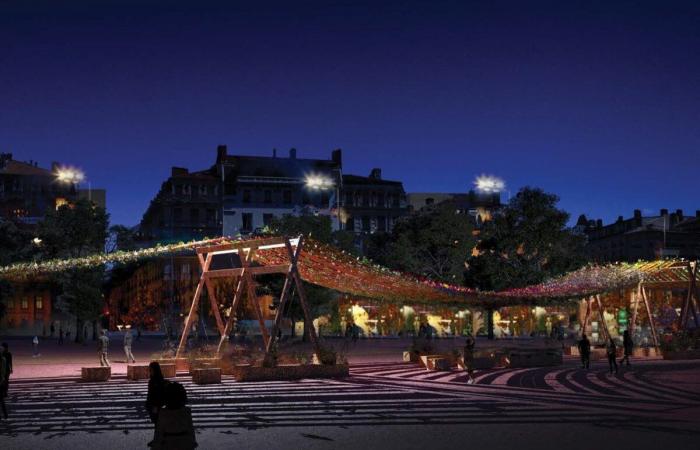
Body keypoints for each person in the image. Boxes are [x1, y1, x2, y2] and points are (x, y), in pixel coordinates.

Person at [151, 381, 197, 449]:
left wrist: (155, 445)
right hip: (185, 444)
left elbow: (159, 433)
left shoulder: (163, 413)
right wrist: (192, 443)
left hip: (168, 444)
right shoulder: (186, 412)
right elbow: (190, 430)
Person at [1, 342, 12, 420]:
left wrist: (11, 368)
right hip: (2, 376)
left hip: (5, 373)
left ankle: (5, 391)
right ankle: (5, 415)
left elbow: (10, 362)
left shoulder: (7, 355)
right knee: (1, 401)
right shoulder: (3, 357)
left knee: (6, 381)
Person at [0, 352, 7, 420]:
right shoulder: (3, 360)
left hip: (1, 381)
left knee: (1, 400)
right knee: (1, 400)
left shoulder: (3, 360)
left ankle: (5, 415)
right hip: (2, 381)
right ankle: (5, 415)